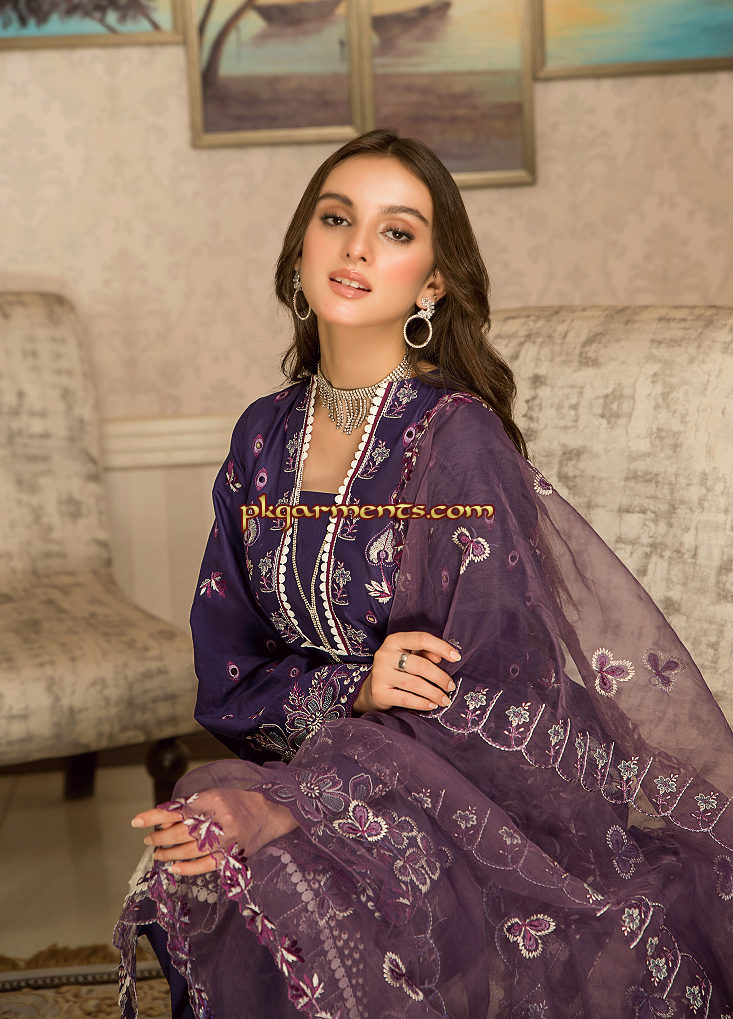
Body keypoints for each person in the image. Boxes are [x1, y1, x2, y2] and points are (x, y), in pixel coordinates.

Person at [115, 129, 733, 1019]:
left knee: (276, 866)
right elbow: (229, 668)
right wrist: (352, 693)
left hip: (475, 797)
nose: (358, 248)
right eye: (336, 219)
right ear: (300, 249)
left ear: (432, 283)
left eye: (396, 231)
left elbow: (490, 699)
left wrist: (298, 807)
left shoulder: (456, 440)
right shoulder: (261, 437)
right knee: (205, 823)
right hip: (316, 759)